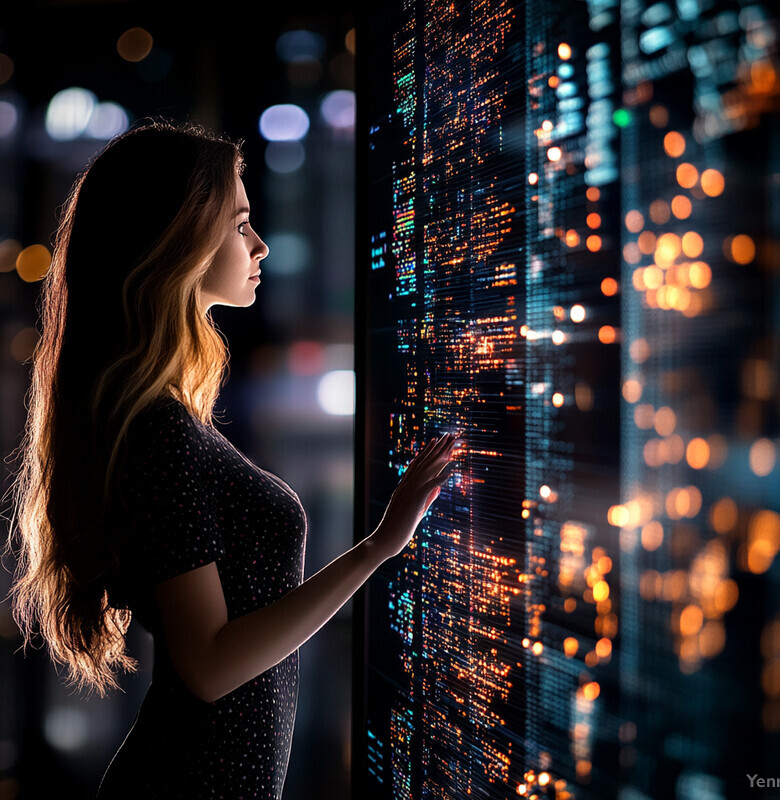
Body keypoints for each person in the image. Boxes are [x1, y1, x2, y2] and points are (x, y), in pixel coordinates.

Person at [4, 120, 458, 799]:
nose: (260, 244)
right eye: (240, 223)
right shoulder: (158, 431)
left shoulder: (167, 415)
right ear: (178, 238)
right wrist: (379, 548)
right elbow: (210, 666)